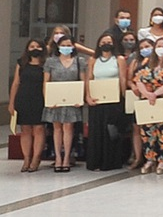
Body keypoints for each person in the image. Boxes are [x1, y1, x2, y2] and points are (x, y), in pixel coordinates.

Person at [133, 38, 163, 175]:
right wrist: (147, 94)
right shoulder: (147, 62)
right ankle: (150, 159)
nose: (161, 48)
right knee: (147, 131)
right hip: (146, 100)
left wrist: (155, 94)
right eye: (159, 46)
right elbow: (138, 79)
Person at [42, 35, 86, 173]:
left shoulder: (79, 61)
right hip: (55, 99)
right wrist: (48, 99)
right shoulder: (50, 61)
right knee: (57, 129)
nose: (66, 48)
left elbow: (83, 81)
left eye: (69, 45)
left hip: (72, 99)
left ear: (73, 46)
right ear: (58, 46)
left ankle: (67, 157)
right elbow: (46, 82)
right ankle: (57, 158)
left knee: (68, 128)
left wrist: (81, 98)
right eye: (64, 45)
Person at [84, 34, 128, 171]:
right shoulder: (93, 60)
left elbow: (122, 78)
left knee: (111, 130)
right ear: (98, 44)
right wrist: (88, 96)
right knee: (96, 131)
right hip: (97, 101)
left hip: (113, 100)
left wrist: (122, 96)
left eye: (109, 41)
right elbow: (89, 78)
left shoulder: (119, 59)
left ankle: (110, 162)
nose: (106, 44)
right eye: (103, 41)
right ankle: (95, 161)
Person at [9, 40, 47, 173]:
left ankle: (36, 158)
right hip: (23, 98)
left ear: (42, 49)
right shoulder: (21, 63)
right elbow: (15, 83)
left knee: (39, 129)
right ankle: (26, 158)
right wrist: (11, 102)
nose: (35, 49)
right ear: (27, 49)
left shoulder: (46, 64)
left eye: (38, 46)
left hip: (39, 98)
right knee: (25, 129)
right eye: (32, 46)